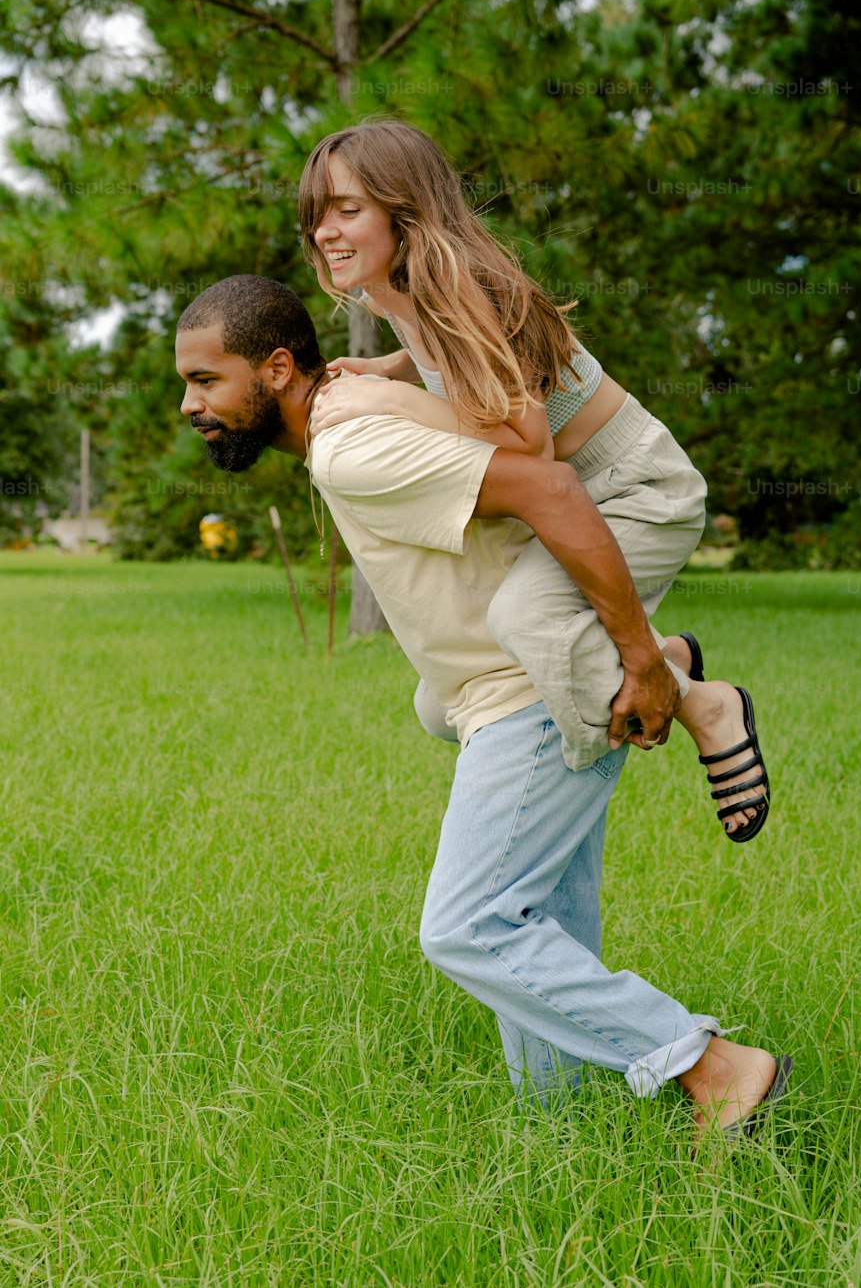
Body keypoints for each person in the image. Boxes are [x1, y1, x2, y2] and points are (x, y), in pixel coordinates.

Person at [174, 274, 792, 1136]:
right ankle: (561, 1134)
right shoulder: (351, 410)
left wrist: (643, 660)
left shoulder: (352, 441)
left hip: (526, 699)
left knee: (468, 926)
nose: (188, 404)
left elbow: (550, 488)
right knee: (541, 928)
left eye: (207, 381)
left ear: (277, 369)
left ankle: (717, 1067)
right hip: (509, 693)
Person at [298, 119, 769, 842]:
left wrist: (393, 400)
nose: (326, 230)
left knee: (523, 618)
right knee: (441, 700)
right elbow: (461, 366)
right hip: (582, 497)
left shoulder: (456, 283)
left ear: (406, 208)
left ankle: (700, 705)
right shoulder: (397, 286)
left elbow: (528, 441)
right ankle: (669, 662)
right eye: (317, 213)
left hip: (638, 488)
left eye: (348, 210)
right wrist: (390, 367)